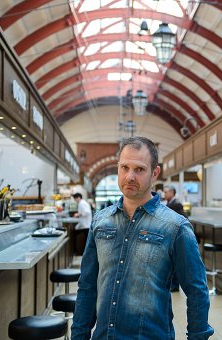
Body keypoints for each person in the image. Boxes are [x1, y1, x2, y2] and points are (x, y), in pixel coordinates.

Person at [72, 136, 213, 339]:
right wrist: (79, 335)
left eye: (139, 169)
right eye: (124, 168)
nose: (130, 176)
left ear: (154, 173)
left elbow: (197, 291)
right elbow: (87, 286)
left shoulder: (176, 227)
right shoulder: (100, 221)